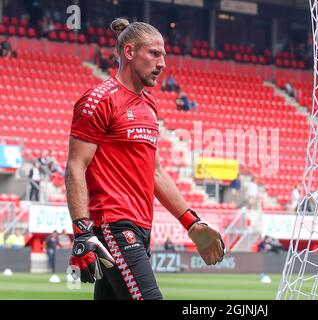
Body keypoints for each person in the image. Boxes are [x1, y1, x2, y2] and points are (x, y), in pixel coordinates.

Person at [65, 18, 225, 300]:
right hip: (114, 227)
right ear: (129, 52)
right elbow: (76, 165)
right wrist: (82, 231)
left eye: (163, 54)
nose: (162, 63)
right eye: (154, 53)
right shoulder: (98, 100)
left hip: (141, 227)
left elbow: (156, 174)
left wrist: (191, 223)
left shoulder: (149, 105)